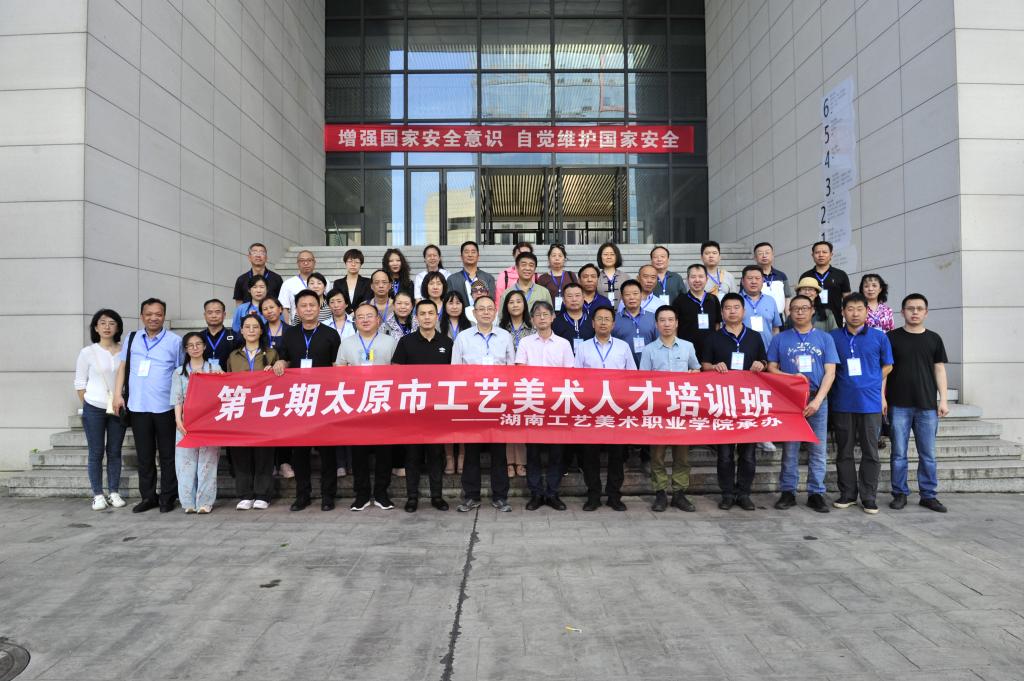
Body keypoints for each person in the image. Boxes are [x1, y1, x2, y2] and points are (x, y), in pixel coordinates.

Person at [271, 289, 342, 512]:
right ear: (297, 310)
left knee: (328, 451)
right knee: (299, 452)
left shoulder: (331, 334)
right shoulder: (289, 334)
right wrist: (281, 363)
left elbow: (337, 366)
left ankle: (328, 495)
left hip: (325, 399)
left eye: (312, 305)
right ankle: (302, 495)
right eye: (304, 305)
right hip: (299, 399)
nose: (308, 309)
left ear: (319, 307)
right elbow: (285, 359)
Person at [767, 294, 839, 513]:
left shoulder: (825, 338)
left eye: (804, 308)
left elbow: (830, 372)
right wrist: (791, 377)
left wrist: (818, 401)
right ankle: (788, 491)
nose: (800, 312)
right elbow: (771, 368)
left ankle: (816, 493)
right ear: (789, 313)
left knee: (818, 449)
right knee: (790, 449)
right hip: (790, 400)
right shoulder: (780, 339)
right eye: (795, 308)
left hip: (817, 399)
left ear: (812, 310)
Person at [112, 299, 183, 513]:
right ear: (142, 316)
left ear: (164, 316)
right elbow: (123, 367)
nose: (154, 318)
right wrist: (117, 394)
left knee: (168, 455)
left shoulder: (174, 341)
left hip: (165, 406)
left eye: (158, 314)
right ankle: (148, 497)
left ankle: (168, 497)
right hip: (138, 405)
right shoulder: (132, 338)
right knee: (144, 456)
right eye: (149, 314)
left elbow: (180, 372)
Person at [701, 293, 768, 511]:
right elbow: (704, 366)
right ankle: (727, 494)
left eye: (736, 307)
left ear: (743, 311)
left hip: (749, 402)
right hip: (723, 402)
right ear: (722, 312)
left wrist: (761, 364)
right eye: (727, 308)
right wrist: (714, 367)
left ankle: (744, 493)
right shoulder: (713, 337)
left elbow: (765, 361)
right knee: (725, 455)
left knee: (748, 455)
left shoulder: (755, 337)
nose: (732, 311)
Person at [829, 293, 893, 514]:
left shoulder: (879, 337)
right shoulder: (833, 337)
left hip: (870, 404)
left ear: (867, 311)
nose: (855, 313)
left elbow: (888, 365)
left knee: (870, 452)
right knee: (844, 451)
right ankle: (847, 494)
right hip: (842, 402)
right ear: (843, 312)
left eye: (859, 309)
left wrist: (873, 381)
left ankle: (868, 497)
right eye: (850, 309)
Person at [886, 294, 949, 513]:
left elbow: (939, 369)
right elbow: (885, 370)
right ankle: (899, 493)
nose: (915, 312)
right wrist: (882, 397)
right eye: (910, 308)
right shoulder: (891, 338)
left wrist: (943, 399)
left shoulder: (934, 339)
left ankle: (928, 495)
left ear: (926, 312)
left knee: (928, 454)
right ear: (902, 311)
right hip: (898, 404)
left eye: (919, 308)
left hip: (927, 405)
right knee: (898, 454)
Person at [451, 295, 515, 513]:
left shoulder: (505, 336)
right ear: (474, 313)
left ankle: (500, 496)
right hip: (472, 402)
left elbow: (511, 370)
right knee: (471, 451)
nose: (486, 312)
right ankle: (471, 496)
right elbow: (455, 370)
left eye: (490, 309)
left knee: (499, 451)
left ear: (495, 312)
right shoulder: (463, 338)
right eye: (481, 309)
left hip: (498, 401)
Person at [337, 301, 399, 512]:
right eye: (360, 316)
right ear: (355, 321)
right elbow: (339, 370)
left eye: (369, 316)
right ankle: (362, 494)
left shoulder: (390, 342)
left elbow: (397, 371)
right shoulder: (347, 343)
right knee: (359, 451)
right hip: (357, 403)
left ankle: (381, 493)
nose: (364, 320)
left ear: (378, 320)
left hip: (383, 401)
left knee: (385, 451)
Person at [392, 299, 454, 513]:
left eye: (431, 313)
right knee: (412, 455)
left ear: (437, 316)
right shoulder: (406, 342)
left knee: (436, 455)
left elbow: (455, 375)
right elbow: (396, 372)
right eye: (423, 314)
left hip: (437, 409)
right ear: (416, 317)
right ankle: (412, 497)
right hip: (412, 408)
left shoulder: (447, 342)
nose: (427, 317)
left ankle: (437, 496)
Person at [639, 306, 700, 512]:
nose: (667, 324)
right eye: (662, 320)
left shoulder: (687, 346)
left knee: (682, 455)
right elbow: (642, 379)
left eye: (670, 320)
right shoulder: (649, 350)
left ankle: (679, 493)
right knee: (657, 455)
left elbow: (697, 370)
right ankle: (660, 493)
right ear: (656, 324)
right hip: (658, 410)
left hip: (682, 409)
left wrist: (693, 374)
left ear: (676, 323)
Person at [573, 305, 635, 511]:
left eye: (607, 319)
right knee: (590, 455)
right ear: (592, 323)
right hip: (591, 408)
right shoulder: (583, 348)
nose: (603, 322)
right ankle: (593, 495)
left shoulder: (623, 347)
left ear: (613, 324)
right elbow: (576, 378)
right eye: (599, 319)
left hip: (617, 409)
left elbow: (632, 376)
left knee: (617, 455)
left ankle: (614, 495)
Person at [515, 301, 574, 511]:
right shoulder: (525, 343)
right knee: (533, 451)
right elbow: (520, 371)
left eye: (545, 314)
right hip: (532, 403)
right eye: (537, 315)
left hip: (556, 404)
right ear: (532, 319)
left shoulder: (563, 344)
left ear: (553, 317)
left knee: (557, 451)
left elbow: (570, 374)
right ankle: (536, 493)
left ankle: (552, 493)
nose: (542, 318)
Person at [75, 309, 128, 511]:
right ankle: (97, 494)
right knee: (96, 452)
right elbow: (80, 382)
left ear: (118, 327)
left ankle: (113, 492)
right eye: (102, 323)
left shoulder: (124, 350)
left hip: (117, 407)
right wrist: (89, 403)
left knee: (114, 451)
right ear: (96, 328)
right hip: (94, 408)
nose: (107, 327)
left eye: (112, 323)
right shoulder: (87, 352)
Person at [225, 316, 278, 510]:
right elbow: (227, 381)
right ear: (241, 330)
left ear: (262, 330)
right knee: (241, 453)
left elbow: (280, 380)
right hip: (240, 409)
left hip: (264, 409)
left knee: (263, 454)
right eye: (247, 327)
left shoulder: (271, 353)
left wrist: (274, 370)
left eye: (255, 327)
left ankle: (263, 494)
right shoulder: (234, 355)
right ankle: (245, 494)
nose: (251, 330)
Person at [171, 332, 222, 513]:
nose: (195, 348)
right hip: (187, 422)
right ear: (185, 349)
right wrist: (178, 420)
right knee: (185, 463)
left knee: (208, 463)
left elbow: (224, 390)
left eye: (198, 344)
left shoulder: (214, 368)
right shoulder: (179, 372)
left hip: (210, 423)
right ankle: (188, 502)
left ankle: (205, 502)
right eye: (190, 345)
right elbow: (177, 399)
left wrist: (219, 376)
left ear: (205, 346)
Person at [499, 289, 533, 478]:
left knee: (520, 421)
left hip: (527, 381)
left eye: (519, 301)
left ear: (524, 305)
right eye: (511, 302)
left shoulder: (532, 328)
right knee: (507, 421)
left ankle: (521, 462)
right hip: (504, 380)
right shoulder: (500, 329)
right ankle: (508, 462)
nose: (515, 305)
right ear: (506, 306)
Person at [671, 264, 721, 363]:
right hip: (686, 352)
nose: (697, 280)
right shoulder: (679, 301)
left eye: (701, 276)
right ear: (687, 279)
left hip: (710, 351)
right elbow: (674, 327)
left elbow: (717, 324)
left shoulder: (713, 300)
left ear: (706, 279)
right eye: (693, 277)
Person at [800, 240, 851, 324]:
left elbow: (847, 299)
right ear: (812, 255)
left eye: (824, 252)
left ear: (831, 255)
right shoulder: (806, 276)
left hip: (836, 320)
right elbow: (800, 300)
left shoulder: (841, 274)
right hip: (810, 321)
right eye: (817, 252)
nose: (821, 255)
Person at [612, 279, 657, 367]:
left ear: (641, 295)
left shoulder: (653, 317)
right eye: (627, 295)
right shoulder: (614, 320)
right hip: (624, 367)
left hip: (649, 367)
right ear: (622, 297)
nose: (632, 297)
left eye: (635, 293)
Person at [499, 251, 552, 320]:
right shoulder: (507, 293)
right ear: (517, 267)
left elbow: (550, 316)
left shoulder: (544, 292)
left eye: (531, 265)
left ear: (535, 269)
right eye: (524, 265)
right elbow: (501, 318)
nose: (527, 268)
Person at [739, 265, 782, 350]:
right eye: (750, 278)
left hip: (767, 350)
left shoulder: (770, 301)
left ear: (763, 280)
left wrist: (775, 350)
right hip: (742, 351)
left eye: (757, 278)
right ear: (742, 281)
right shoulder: (735, 301)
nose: (754, 281)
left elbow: (775, 328)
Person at [447, 240, 496, 310]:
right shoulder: (452, 279)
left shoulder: (488, 278)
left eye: (473, 252)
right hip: (461, 316)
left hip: (483, 315)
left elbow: (491, 301)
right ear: (461, 257)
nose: (470, 255)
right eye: (466, 252)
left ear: (478, 256)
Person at [552, 282, 595, 353]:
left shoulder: (592, 322)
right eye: (569, 296)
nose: (574, 299)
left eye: (577, 295)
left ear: (583, 298)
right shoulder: (555, 323)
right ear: (564, 300)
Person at [753, 242, 791, 315]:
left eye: (767, 253)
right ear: (755, 257)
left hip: (779, 317)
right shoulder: (750, 277)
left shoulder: (781, 276)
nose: (764, 256)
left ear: (772, 255)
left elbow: (787, 298)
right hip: (758, 316)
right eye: (760, 253)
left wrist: (788, 317)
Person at [279, 250, 317, 323]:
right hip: (296, 325)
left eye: (309, 260)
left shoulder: (324, 282)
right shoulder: (288, 283)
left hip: (320, 324)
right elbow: (284, 308)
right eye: (302, 260)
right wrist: (288, 327)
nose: (306, 263)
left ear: (314, 262)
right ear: (297, 263)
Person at [537, 243, 578, 311]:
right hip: (549, 314)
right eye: (554, 255)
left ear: (564, 259)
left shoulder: (571, 275)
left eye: (560, 256)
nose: (557, 258)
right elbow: (539, 300)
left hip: (569, 313)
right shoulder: (543, 278)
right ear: (549, 258)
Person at [201, 299, 238, 369]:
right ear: (205, 315)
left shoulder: (235, 337)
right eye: (210, 312)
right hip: (204, 375)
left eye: (217, 312)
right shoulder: (199, 337)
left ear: (224, 315)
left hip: (228, 375)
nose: (214, 316)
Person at [332, 248, 371, 314]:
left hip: (362, 315)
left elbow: (367, 301)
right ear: (345, 263)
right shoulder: (338, 283)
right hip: (343, 316)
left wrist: (355, 312)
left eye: (356, 262)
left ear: (361, 264)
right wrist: (349, 313)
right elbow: (337, 301)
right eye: (350, 261)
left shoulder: (367, 282)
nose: (353, 264)